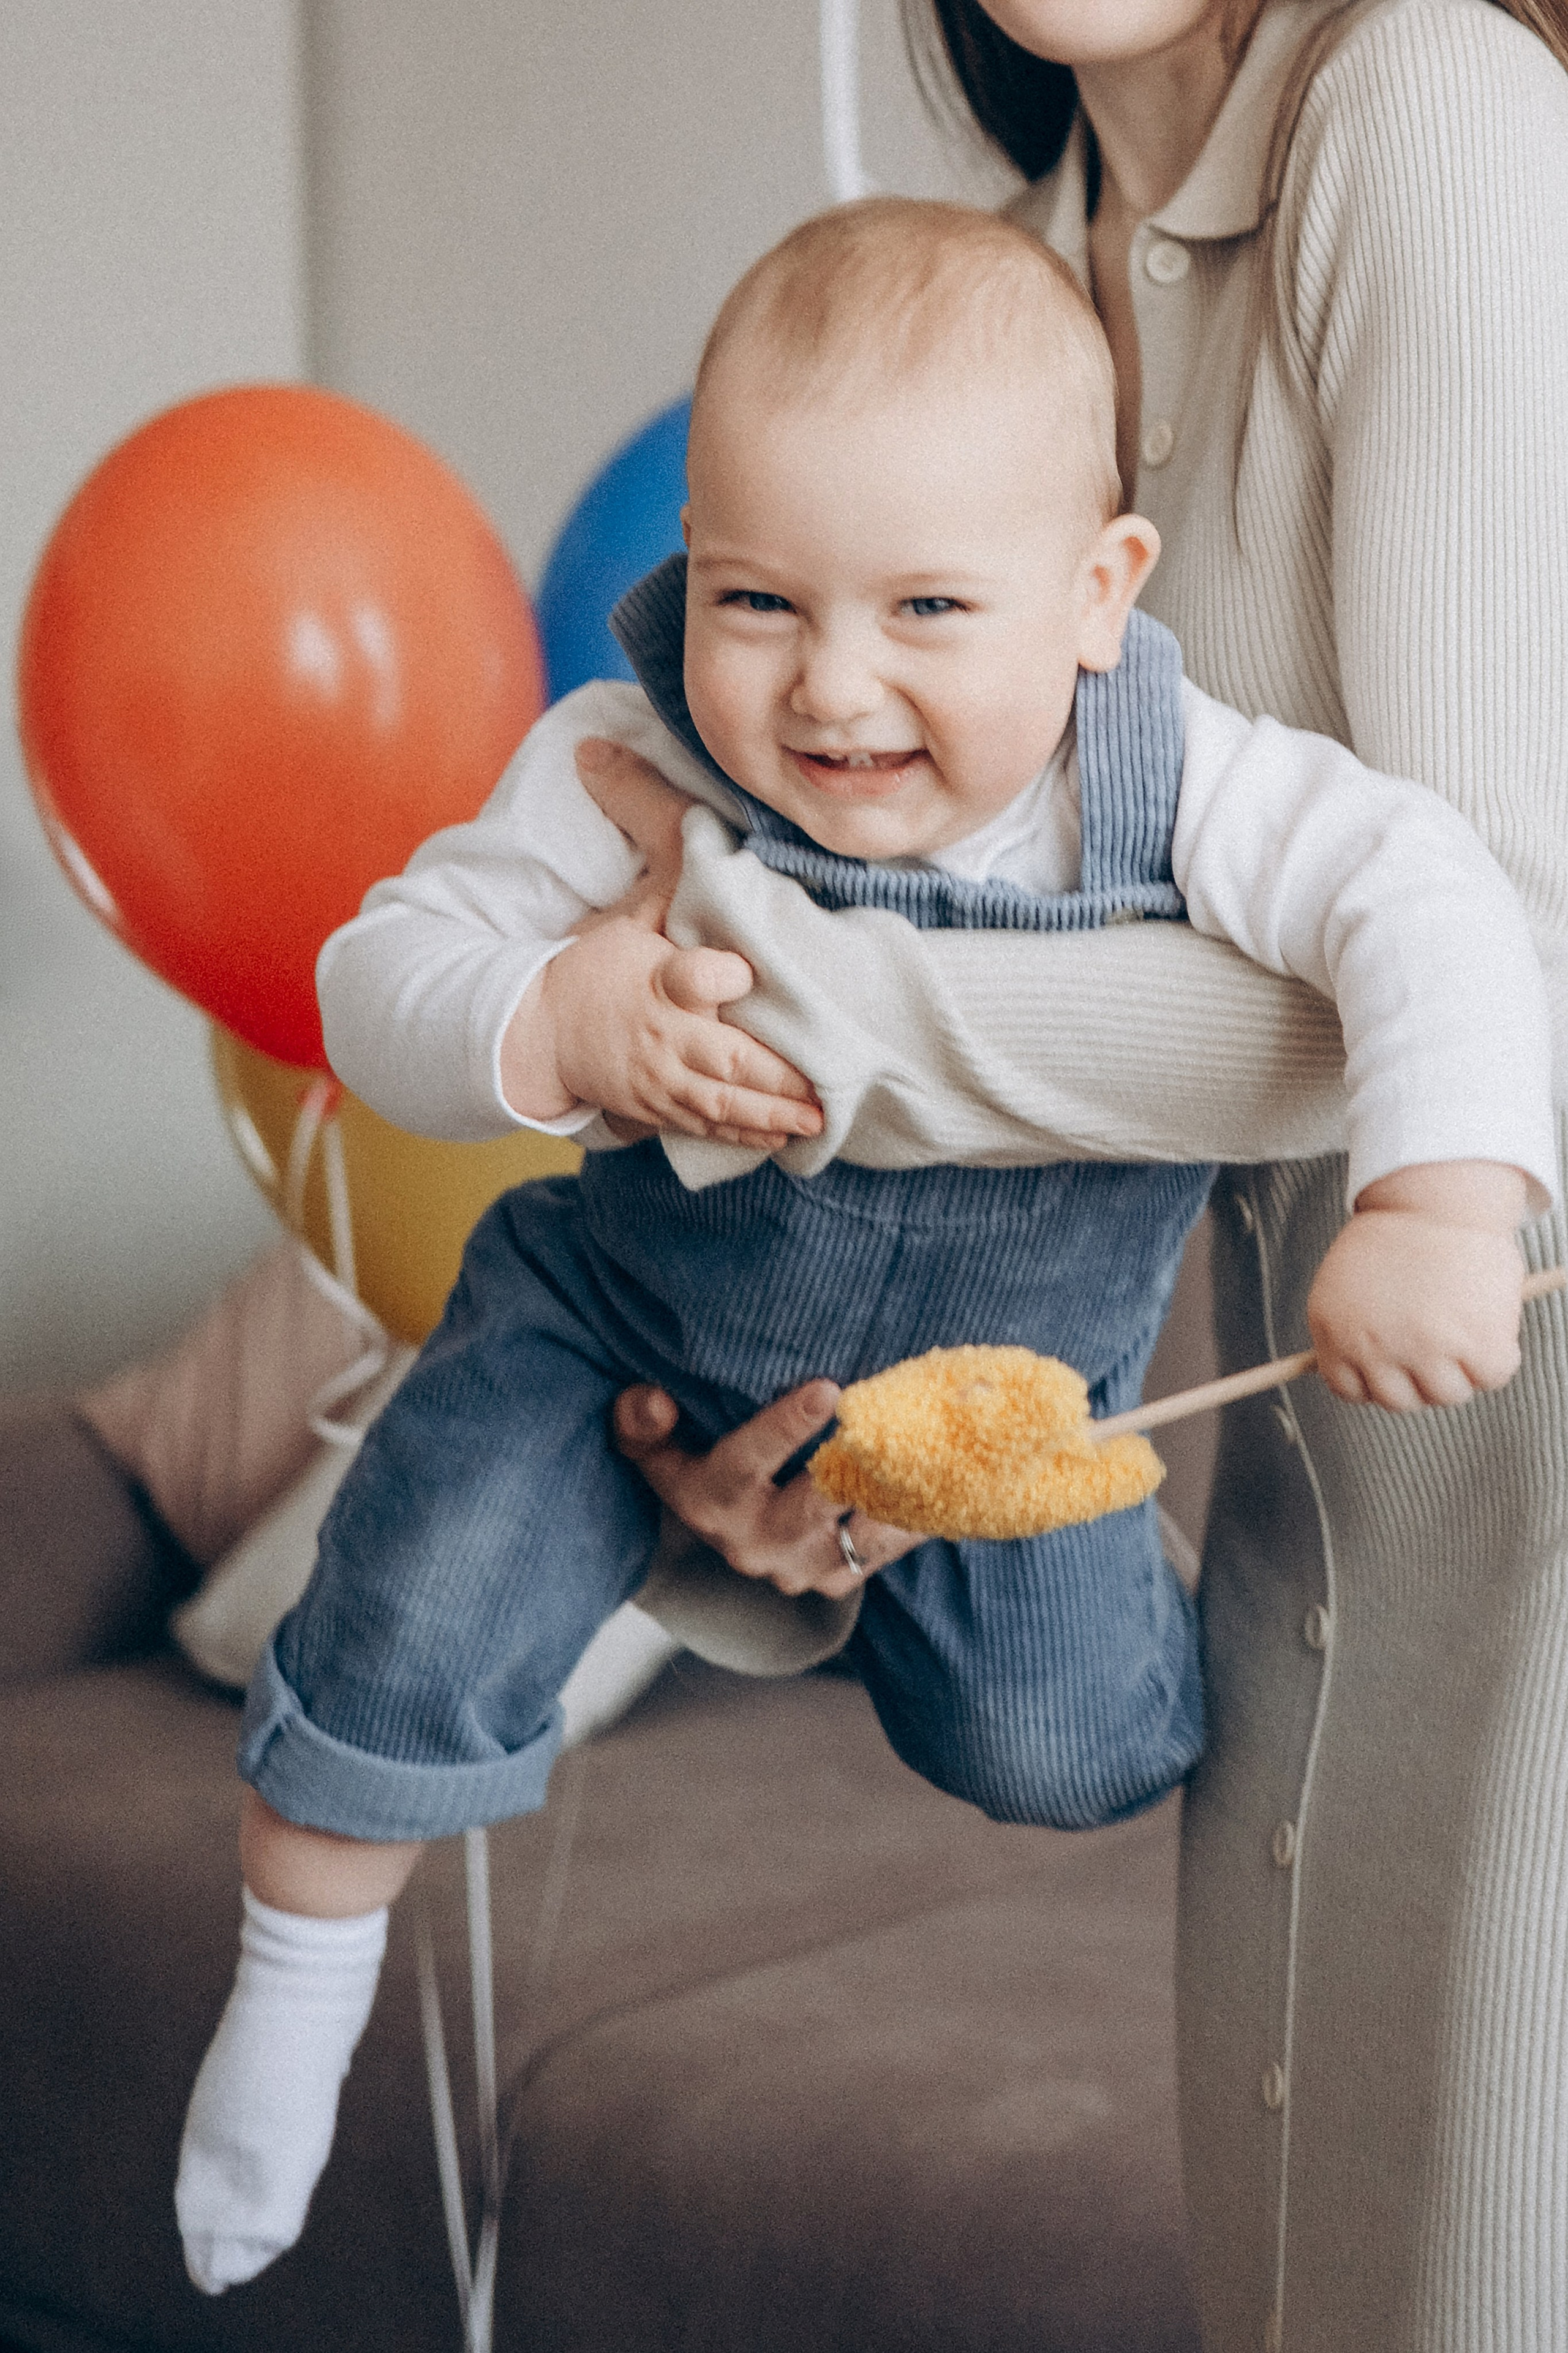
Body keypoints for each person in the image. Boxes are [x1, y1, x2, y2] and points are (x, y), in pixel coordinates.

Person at [173, 194, 1558, 2301]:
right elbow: (376, 979)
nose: (831, 685)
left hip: (991, 1411)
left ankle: (952, 1606)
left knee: (1078, 1746)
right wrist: (555, 1016)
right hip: (625, 1327)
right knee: (412, 1610)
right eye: (758, 598)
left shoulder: (1171, 778)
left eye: (926, 607)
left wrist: (1441, 1196)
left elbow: (1427, 892)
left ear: (1098, 596)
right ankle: (292, 1986)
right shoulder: (623, 759)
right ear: (694, 565)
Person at [582, 6, 1568, 2348]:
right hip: (1298, 1577)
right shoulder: (1005, 280)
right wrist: (813, 1477)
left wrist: (808, 1015)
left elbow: (1512, 943)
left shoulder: (1424, 110)